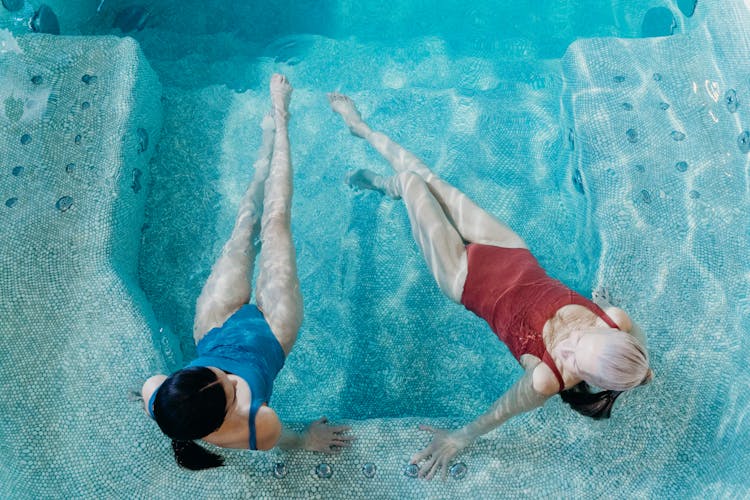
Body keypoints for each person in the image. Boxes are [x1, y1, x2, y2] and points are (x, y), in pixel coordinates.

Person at [328, 92, 653, 480]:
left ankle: (384, 185)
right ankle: (361, 129)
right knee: (430, 179)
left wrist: (457, 439)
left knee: (413, 184)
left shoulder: (546, 378)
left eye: (572, 355)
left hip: (464, 278)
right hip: (510, 250)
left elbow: (501, 410)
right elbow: (639, 347)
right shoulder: (615, 320)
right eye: (586, 334)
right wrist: (640, 366)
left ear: (593, 382)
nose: (567, 342)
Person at [141, 75, 353, 470]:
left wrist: (167, 399)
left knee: (243, 226)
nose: (228, 374)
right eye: (230, 387)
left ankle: (266, 142)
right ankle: (283, 119)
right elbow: (286, 440)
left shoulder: (159, 395)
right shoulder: (257, 426)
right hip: (272, 334)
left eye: (212, 373)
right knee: (276, 223)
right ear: (225, 415)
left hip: (215, 328)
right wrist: (306, 439)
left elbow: (153, 387)